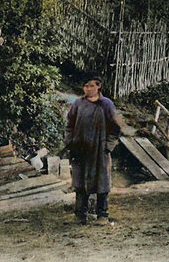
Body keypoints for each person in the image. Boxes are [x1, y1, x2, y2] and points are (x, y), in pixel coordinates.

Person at [65, 75, 121, 225]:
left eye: (91, 86)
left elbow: (115, 128)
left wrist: (108, 147)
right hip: (81, 150)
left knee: (102, 182)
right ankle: (80, 215)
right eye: (86, 86)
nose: (88, 89)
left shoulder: (106, 104)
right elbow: (70, 125)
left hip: (99, 150)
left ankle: (102, 215)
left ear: (98, 86)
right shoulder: (78, 104)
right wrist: (70, 142)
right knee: (80, 182)